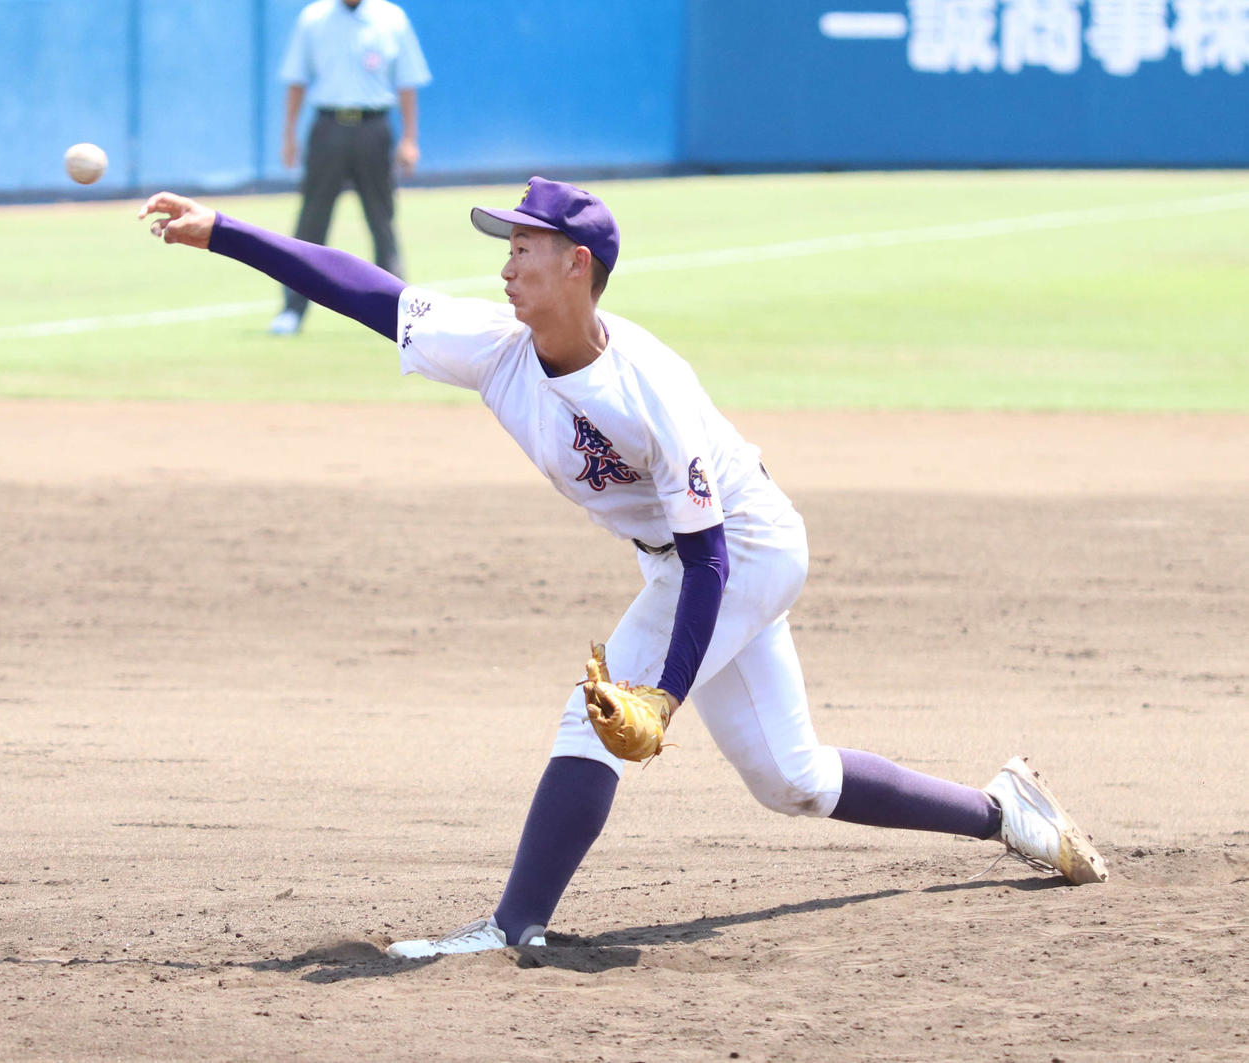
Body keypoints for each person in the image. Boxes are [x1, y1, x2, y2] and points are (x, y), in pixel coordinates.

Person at [138, 177, 1108, 959]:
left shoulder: (648, 391)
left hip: (746, 550)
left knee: (596, 715)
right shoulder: (495, 347)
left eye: (524, 247)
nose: (506, 264)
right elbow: (366, 291)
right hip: (693, 567)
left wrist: (665, 698)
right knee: (793, 781)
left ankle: (510, 924)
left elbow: (709, 556)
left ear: (578, 267)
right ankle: (1002, 812)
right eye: (506, 246)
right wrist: (223, 232)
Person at [269, 0, 431, 336]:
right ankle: (292, 310)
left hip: (373, 128)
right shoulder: (314, 18)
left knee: (381, 220)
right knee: (312, 222)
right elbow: (297, 79)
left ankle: (399, 314)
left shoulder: (390, 18)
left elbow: (407, 82)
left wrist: (410, 138)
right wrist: (289, 134)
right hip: (328, 126)